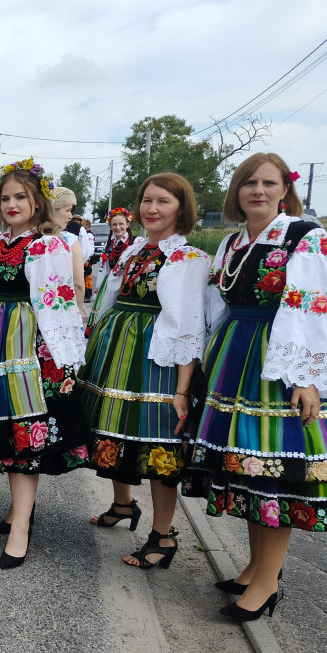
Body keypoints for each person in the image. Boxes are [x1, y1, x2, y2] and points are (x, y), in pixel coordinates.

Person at [187, 153, 327, 620]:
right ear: (237, 191)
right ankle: (255, 568)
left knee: (274, 473)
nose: (258, 190)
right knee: (249, 472)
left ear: (285, 189)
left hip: (277, 363)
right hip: (235, 355)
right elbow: (217, 304)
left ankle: (267, 583)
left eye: (268, 183)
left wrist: (308, 379)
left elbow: (320, 309)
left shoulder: (305, 237)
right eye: (249, 183)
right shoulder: (233, 242)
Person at [0, 159, 89, 567]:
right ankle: (19, 511)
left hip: (25, 348)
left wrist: (62, 359)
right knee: (5, 433)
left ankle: (21, 527)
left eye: (21, 197)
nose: (11, 204)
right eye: (6, 197)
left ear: (38, 202)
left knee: (23, 437)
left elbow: (58, 306)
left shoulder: (46, 244)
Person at [79, 173, 209, 570]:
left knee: (156, 445)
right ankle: (122, 505)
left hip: (155, 358)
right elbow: (108, 296)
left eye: (163, 202)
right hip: (116, 348)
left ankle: (164, 535)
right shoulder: (134, 250)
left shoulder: (186, 258)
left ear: (181, 209)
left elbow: (189, 325)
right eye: (147, 201)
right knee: (114, 433)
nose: (152, 209)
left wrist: (182, 388)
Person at [50, 187, 87, 305]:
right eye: (68, 210)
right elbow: (78, 284)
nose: (71, 216)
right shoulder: (69, 240)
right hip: (61, 307)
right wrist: (79, 313)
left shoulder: (29, 238)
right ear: (53, 210)